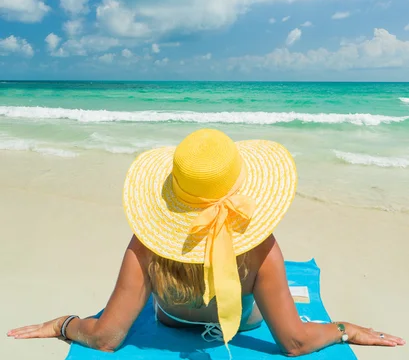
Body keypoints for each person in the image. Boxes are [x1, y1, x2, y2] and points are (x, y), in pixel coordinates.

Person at [8, 129, 405, 356]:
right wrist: (343, 329)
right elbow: (296, 341)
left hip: (171, 321)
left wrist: (62, 324)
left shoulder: (146, 242)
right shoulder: (260, 247)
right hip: (244, 325)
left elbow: (105, 337)